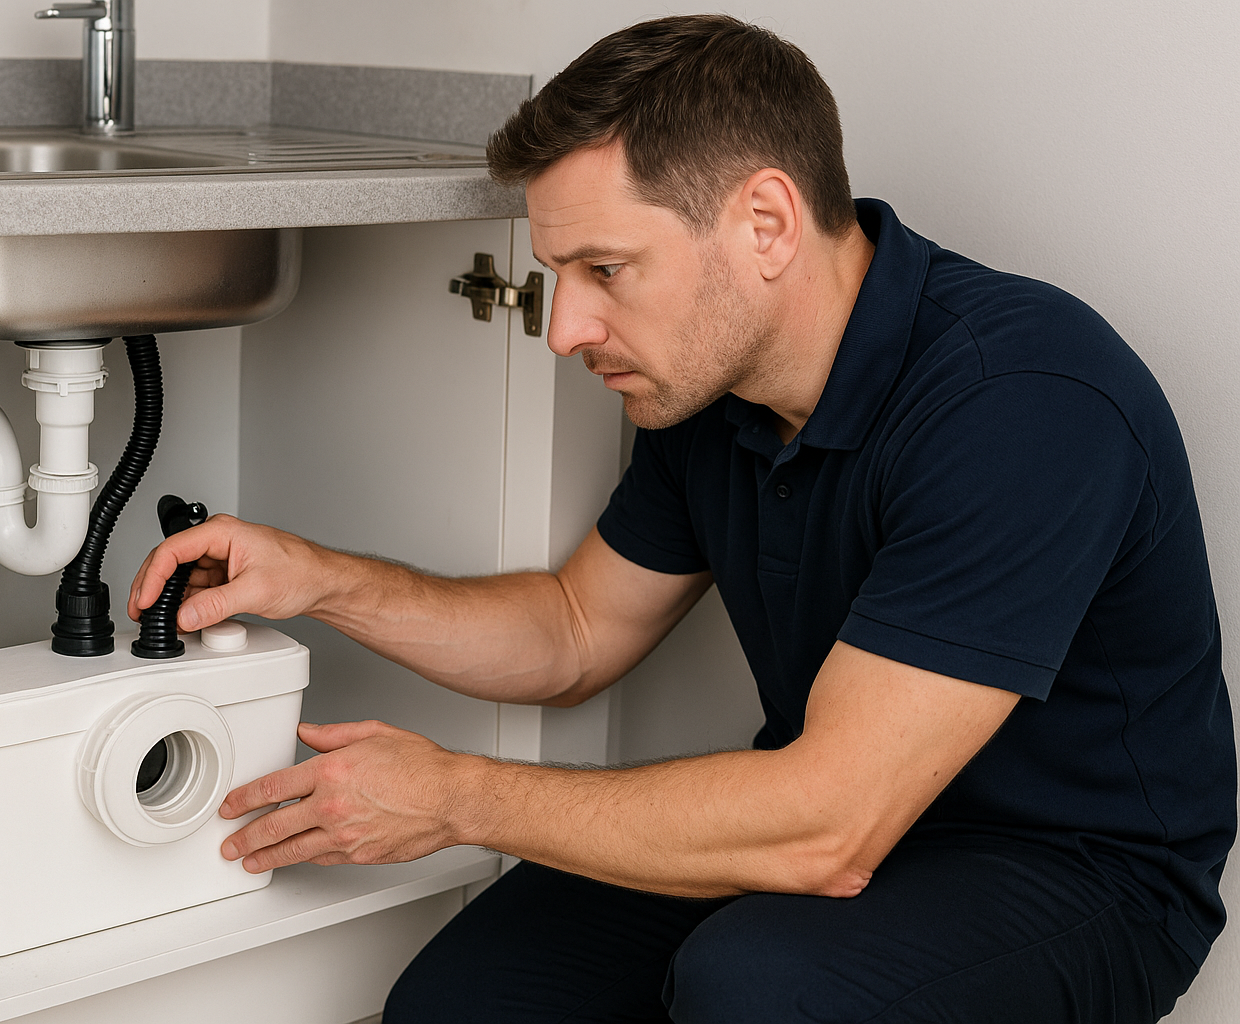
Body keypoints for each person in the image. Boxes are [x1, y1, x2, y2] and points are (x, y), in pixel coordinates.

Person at [129, 15, 1234, 1023]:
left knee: (756, 989)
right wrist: (322, 579)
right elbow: (573, 631)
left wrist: (457, 797)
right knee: (461, 1002)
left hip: (1076, 873)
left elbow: (829, 826)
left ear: (766, 223)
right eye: (559, 273)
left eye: (605, 269)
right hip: (827, 816)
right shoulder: (712, 392)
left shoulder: (1022, 400)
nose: (566, 329)